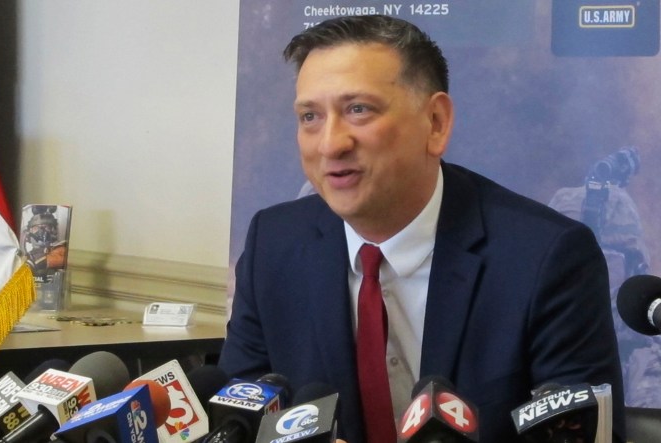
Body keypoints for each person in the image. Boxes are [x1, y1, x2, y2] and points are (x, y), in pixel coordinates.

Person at [218, 15, 625, 442]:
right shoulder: (273, 246)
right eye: (310, 116)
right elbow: (237, 423)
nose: (330, 143)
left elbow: (583, 434)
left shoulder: (546, 258)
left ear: (435, 122)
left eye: (358, 110)